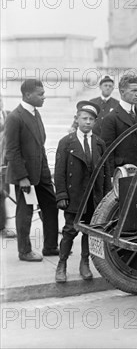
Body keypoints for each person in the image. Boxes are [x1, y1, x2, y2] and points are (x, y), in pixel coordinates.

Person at [54, 101, 111, 283]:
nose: (87, 122)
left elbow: (106, 173)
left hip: (93, 198)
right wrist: (61, 195)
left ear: (95, 122)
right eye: (84, 118)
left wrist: (106, 199)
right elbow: (59, 171)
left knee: (89, 230)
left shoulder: (99, 144)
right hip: (74, 197)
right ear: (77, 119)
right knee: (70, 231)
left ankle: (84, 262)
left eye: (91, 119)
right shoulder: (66, 142)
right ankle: (61, 264)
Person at [4, 79, 59, 262]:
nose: (44, 97)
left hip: (41, 172)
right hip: (25, 176)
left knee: (51, 206)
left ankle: (50, 247)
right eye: (40, 94)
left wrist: (45, 170)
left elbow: (39, 145)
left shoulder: (36, 113)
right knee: (25, 212)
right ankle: (24, 251)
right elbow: (12, 150)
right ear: (28, 95)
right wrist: (22, 177)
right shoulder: (15, 117)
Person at [100, 74, 137, 173]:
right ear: (122, 91)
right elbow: (108, 154)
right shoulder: (111, 119)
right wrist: (112, 177)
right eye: (133, 91)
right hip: (124, 172)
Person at [0, 97, 16, 238]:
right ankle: (2, 227)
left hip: (4, 163)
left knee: (4, 193)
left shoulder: (8, 115)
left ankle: (3, 226)